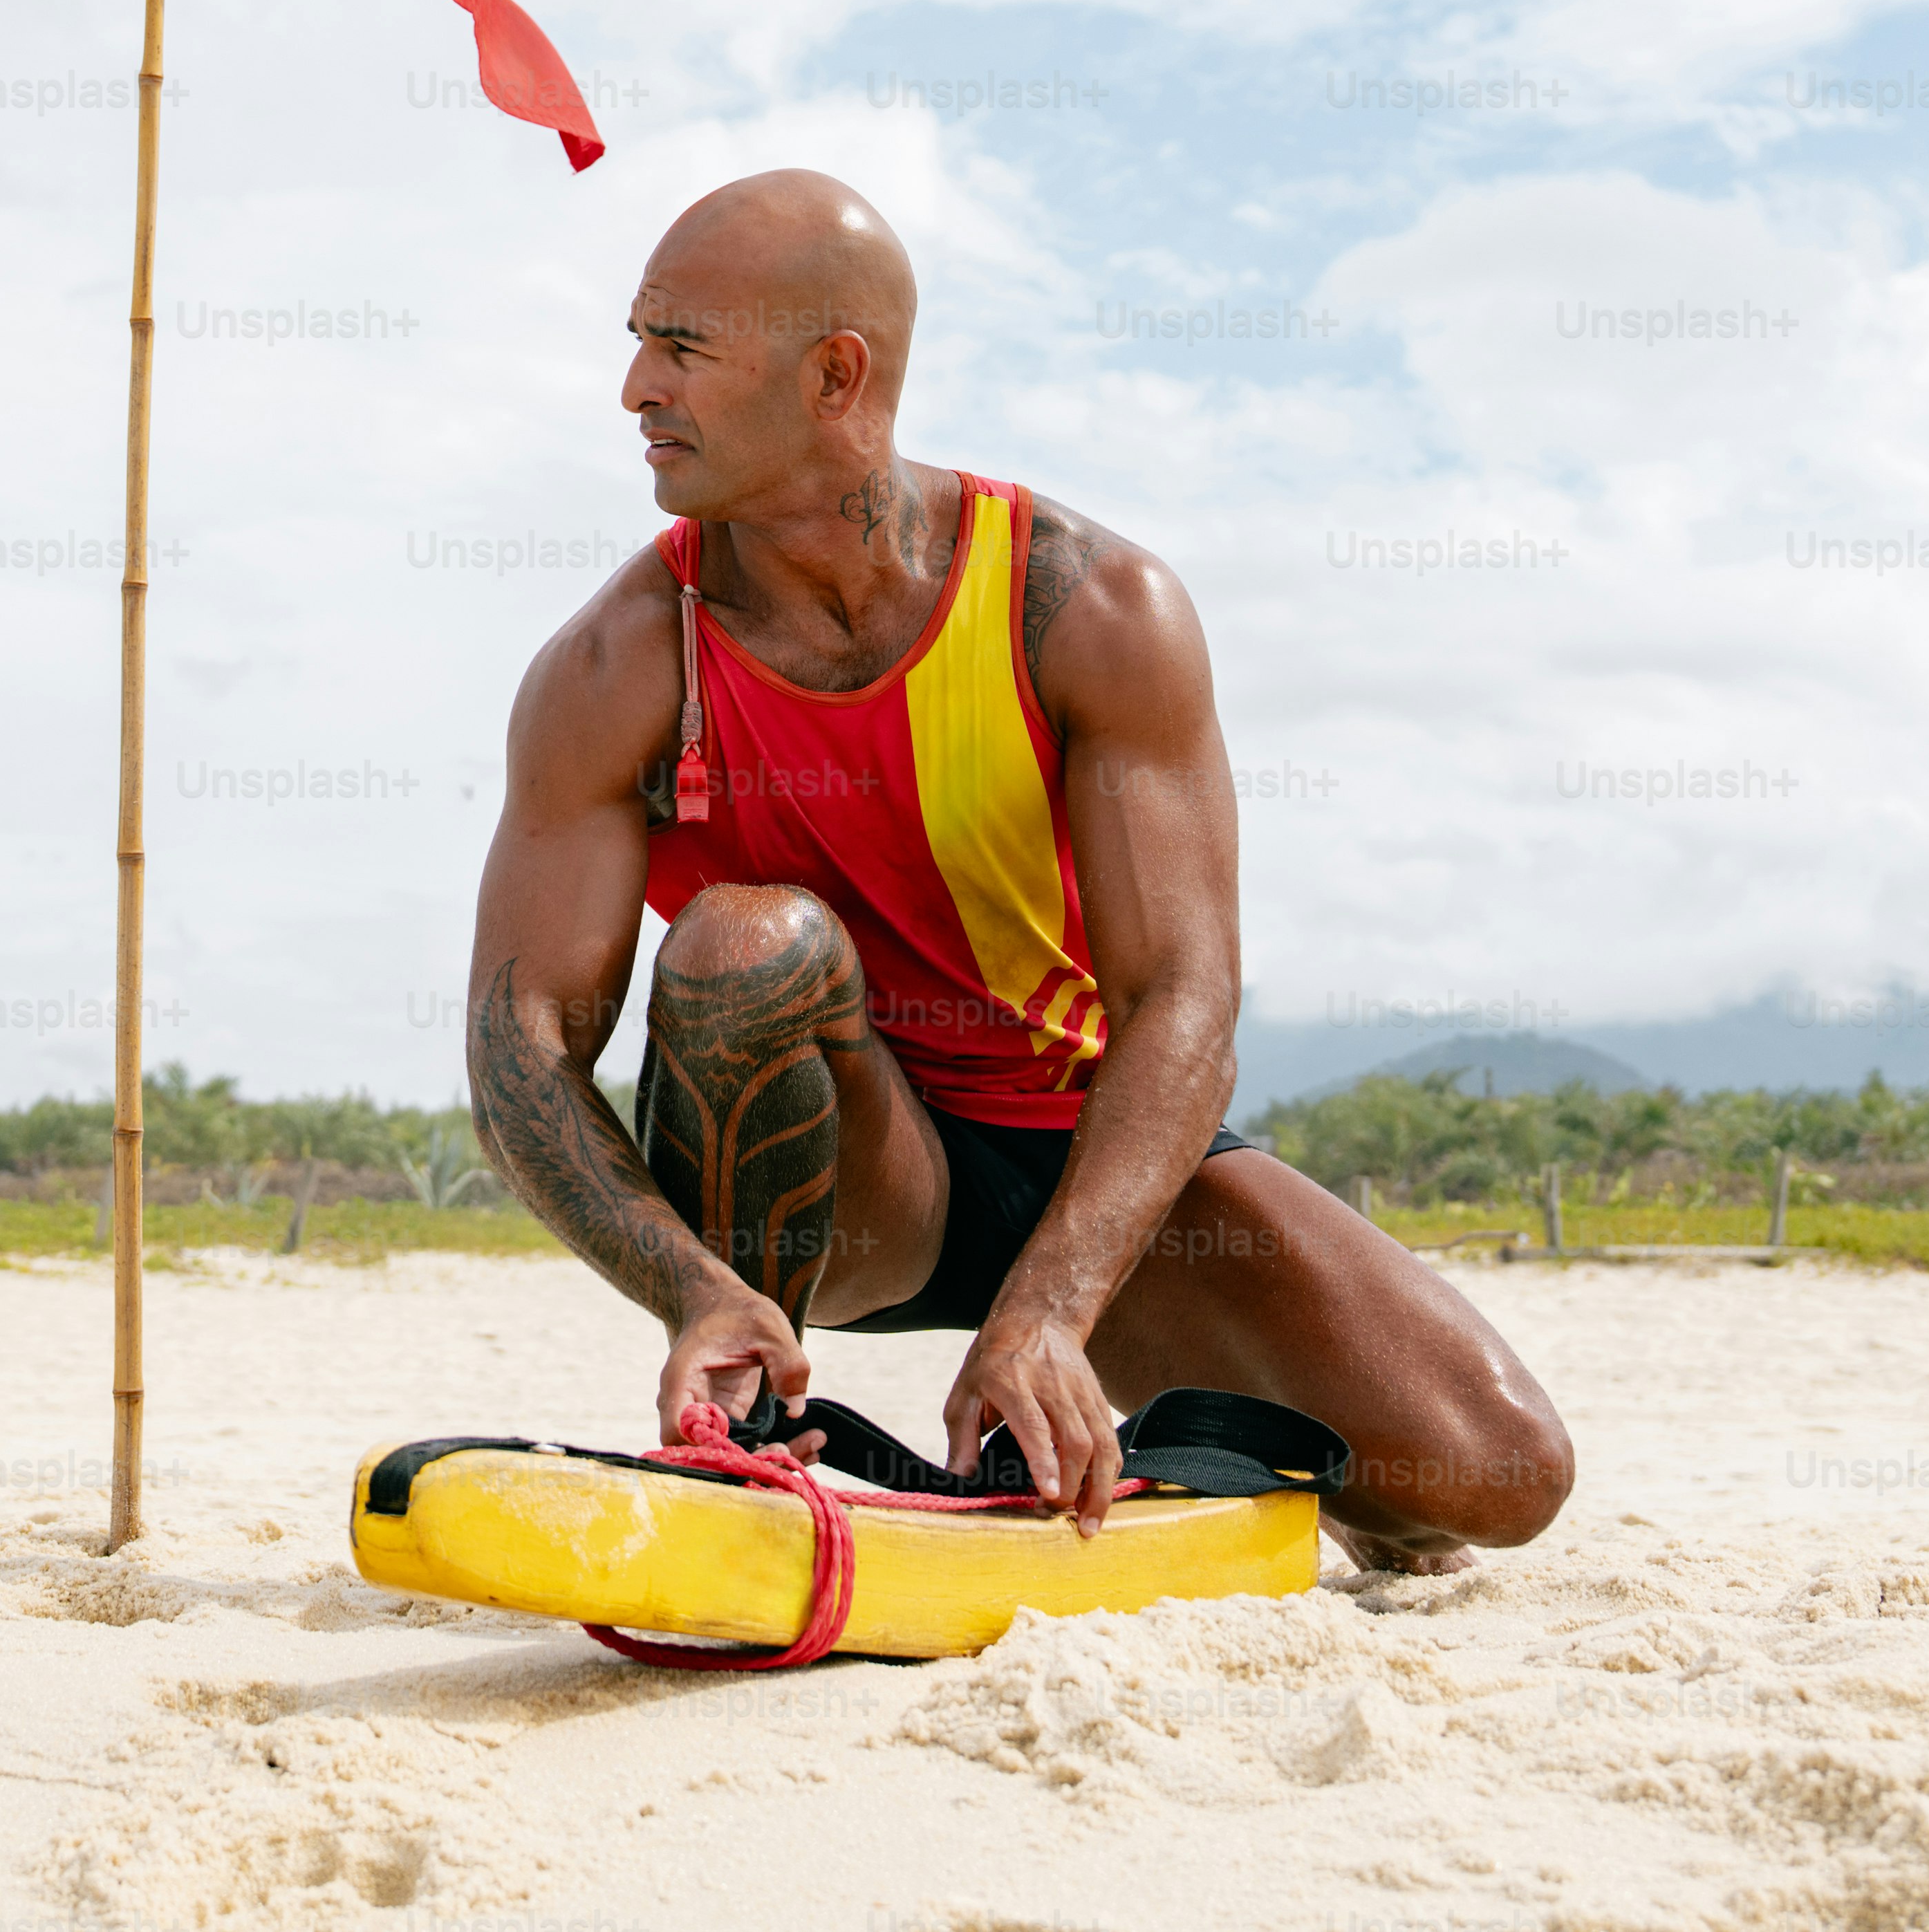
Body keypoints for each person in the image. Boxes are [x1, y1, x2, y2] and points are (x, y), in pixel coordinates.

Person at [463, 169, 1574, 1568]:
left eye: (679, 344)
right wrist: (689, 1292)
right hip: (867, 1190)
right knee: (744, 945)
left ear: (834, 374)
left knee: (1495, 1472)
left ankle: (1178, 1430)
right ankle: (756, 1438)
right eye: (638, 338)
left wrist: (1050, 1306)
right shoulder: (618, 664)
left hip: (1088, 1158)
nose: (633, 385)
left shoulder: (1091, 604)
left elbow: (1185, 996)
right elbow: (521, 1044)